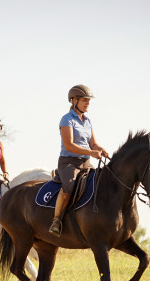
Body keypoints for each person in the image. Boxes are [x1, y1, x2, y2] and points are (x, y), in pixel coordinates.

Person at [50, 84, 109, 237]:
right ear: (74, 100)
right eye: (84, 100)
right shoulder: (67, 119)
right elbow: (69, 144)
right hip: (68, 162)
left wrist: (100, 149)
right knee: (69, 186)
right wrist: (91, 152)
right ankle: (56, 220)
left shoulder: (88, 121)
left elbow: (93, 143)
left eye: (88, 100)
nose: (88, 103)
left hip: (86, 162)